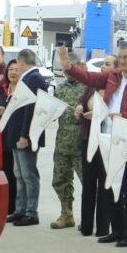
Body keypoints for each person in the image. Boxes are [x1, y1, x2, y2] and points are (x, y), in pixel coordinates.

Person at [59, 43, 127, 248]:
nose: (122, 61)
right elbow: (88, 77)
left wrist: (125, 116)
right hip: (106, 136)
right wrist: (68, 66)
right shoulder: (113, 76)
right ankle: (117, 230)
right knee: (110, 185)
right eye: (120, 57)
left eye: (126, 57)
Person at [74, 54, 118, 237]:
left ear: (115, 68)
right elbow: (82, 101)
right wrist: (80, 107)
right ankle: (86, 225)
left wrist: (99, 114)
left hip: (107, 140)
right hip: (88, 137)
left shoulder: (116, 87)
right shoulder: (93, 85)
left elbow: (116, 111)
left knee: (104, 184)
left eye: (107, 64)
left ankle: (102, 227)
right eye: (102, 64)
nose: (102, 67)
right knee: (88, 182)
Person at [6, 49, 48, 226]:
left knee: (29, 175)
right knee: (20, 175)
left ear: (21, 61)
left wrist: (25, 135)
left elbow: (31, 109)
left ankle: (31, 212)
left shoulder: (34, 78)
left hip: (26, 136)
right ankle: (20, 210)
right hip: (17, 133)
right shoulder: (28, 78)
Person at [50, 52, 86, 229]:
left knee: (87, 182)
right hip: (63, 142)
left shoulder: (88, 87)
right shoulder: (61, 88)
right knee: (60, 179)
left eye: (69, 67)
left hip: (81, 143)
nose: (66, 71)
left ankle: (90, 217)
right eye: (64, 68)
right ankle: (67, 214)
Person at [0, 59, 20, 217]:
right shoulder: (3, 89)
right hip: (2, 135)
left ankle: (16, 207)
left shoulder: (23, 91)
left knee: (16, 173)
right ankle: (7, 206)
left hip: (16, 136)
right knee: (5, 171)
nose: (13, 72)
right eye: (10, 69)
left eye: (16, 70)